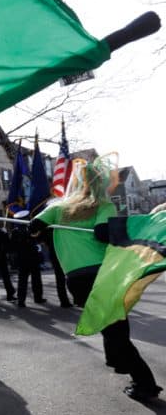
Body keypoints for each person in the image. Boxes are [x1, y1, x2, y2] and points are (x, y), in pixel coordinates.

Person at [31, 157, 161, 401]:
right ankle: (144, 383)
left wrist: (43, 228)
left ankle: (123, 366)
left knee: (111, 326)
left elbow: (34, 225)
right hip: (104, 275)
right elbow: (103, 233)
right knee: (116, 327)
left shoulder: (58, 208)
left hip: (77, 279)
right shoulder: (104, 207)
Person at [10, 211, 46, 307]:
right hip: (29, 258)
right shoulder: (26, 230)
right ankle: (36, 298)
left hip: (25, 259)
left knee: (25, 280)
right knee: (34, 279)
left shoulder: (16, 231)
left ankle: (22, 300)